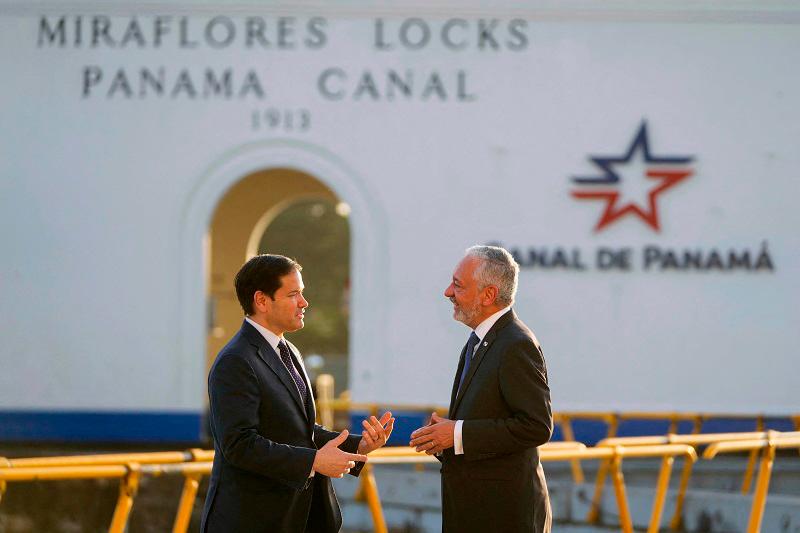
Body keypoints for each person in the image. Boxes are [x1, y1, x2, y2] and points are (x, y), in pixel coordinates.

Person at [201, 254, 394, 533]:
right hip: (253, 521)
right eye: (293, 294)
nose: (304, 303)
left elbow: (299, 429)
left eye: (302, 293)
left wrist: (358, 446)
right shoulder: (236, 361)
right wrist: (314, 461)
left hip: (299, 517)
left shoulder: (289, 351)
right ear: (262, 301)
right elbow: (239, 445)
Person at [409, 245, 553, 533]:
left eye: (458, 285)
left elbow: (537, 426)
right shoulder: (479, 341)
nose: (447, 292)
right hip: (477, 512)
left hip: (504, 516)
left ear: (488, 295)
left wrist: (457, 433)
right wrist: (445, 438)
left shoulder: (516, 344)